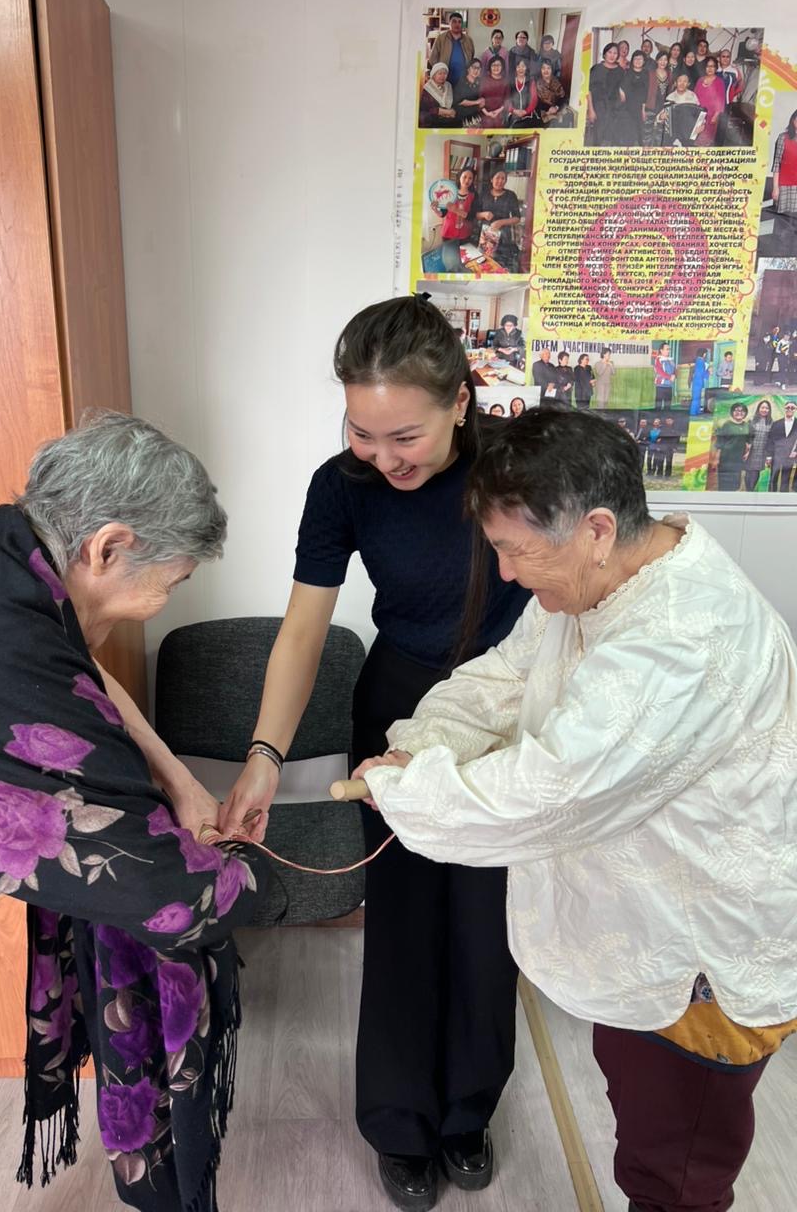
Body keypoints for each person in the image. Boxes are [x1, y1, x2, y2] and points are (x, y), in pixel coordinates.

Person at [355, 406, 797, 1212]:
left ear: (596, 528)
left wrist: (406, 790)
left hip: (699, 962)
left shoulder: (683, 637)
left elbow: (550, 793)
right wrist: (420, 744)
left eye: (517, 550)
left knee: (674, 1177)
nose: (507, 574)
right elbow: (506, 676)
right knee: (642, 1123)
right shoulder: (601, 580)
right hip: (641, 925)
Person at [0, 411, 267, 1212]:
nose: (159, 603)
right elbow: (168, 895)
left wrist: (175, 779)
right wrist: (251, 873)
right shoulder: (2, 656)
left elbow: (75, 670)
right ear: (108, 547)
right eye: (167, 584)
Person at [217, 296, 530, 1212]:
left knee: (488, 925)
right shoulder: (341, 486)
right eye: (362, 431)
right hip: (397, 706)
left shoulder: (514, 468)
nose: (384, 457)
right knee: (402, 918)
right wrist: (265, 754)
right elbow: (303, 630)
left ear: (460, 403)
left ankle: (468, 1111)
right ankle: (399, 1122)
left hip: (507, 709)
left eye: (406, 437)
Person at [431, 165, 479, 273]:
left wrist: (456, 210)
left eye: (470, 178)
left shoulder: (474, 195)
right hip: (448, 234)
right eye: (464, 177)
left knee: (464, 263)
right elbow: (442, 213)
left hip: (465, 235)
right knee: (451, 264)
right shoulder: (450, 192)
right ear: (459, 177)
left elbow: (472, 216)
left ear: (473, 180)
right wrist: (435, 209)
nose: (467, 180)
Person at [475, 169, 523, 273]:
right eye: (497, 178)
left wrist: (501, 222)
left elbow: (517, 218)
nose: (500, 181)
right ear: (491, 179)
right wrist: (484, 214)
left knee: (501, 266)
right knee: (485, 265)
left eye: (503, 178)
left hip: (504, 237)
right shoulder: (484, 194)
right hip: (486, 236)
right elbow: (476, 215)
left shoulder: (511, 195)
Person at [586, 43, 624, 146]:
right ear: (604, 54)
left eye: (615, 53)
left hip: (615, 109)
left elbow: (622, 89)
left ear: (618, 55)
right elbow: (588, 90)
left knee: (613, 139)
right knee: (598, 139)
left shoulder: (620, 71)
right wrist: (591, 110)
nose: (612, 55)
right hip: (599, 108)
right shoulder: (596, 69)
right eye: (610, 52)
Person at [771, 109, 797, 252]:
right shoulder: (783, 138)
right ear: (793, 121)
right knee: (783, 223)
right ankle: (781, 251)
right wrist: (775, 188)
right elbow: (777, 164)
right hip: (785, 186)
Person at [711, 401, 749, 491]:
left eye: (742, 411)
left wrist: (747, 452)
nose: (739, 412)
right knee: (724, 484)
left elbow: (749, 441)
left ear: (745, 413)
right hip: (726, 459)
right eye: (736, 410)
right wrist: (716, 459)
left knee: (735, 484)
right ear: (732, 412)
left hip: (738, 460)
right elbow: (719, 443)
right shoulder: (727, 425)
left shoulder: (747, 426)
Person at [427, 12, 475, 82]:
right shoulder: (441, 38)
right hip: (445, 80)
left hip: (463, 81)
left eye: (459, 22)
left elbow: (471, 57)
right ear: (449, 23)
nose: (457, 24)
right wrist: (439, 74)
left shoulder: (468, 40)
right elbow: (433, 59)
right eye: (454, 21)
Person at [659, 72, 702, 146]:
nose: (682, 84)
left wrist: (701, 125)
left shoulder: (693, 96)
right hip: (673, 133)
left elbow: (700, 114)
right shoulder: (670, 97)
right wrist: (660, 117)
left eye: (685, 81)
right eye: (680, 81)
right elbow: (661, 115)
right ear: (675, 83)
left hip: (689, 133)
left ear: (688, 84)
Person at [694, 56, 726, 146]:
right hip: (699, 115)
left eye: (712, 66)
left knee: (706, 142)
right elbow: (694, 97)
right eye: (708, 66)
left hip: (711, 116)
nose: (710, 68)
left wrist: (715, 116)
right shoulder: (700, 80)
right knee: (696, 139)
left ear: (716, 68)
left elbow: (721, 101)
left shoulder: (719, 82)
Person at [743, 399, 775, 490]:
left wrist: (769, 455)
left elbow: (771, 440)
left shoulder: (771, 422)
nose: (764, 410)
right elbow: (747, 436)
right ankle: (748, 490)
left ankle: (751, 490)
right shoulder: (751, 420)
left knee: (755, 473)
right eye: (762, 407)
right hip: (750, 451)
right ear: (758, 409)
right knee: (748, 472)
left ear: (769, 410)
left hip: (762, 452)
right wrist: (746, 449)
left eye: (767, 408)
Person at [619, 49, 648, 145]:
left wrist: (643, 110)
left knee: (641, 136)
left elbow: (646, 93)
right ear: (632, 61)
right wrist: (621, 91)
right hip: (627, 108)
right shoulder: (626, 72)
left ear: (644, 61)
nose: (638, 61)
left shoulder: (646, 74)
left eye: (640, 59)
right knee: (628, 137)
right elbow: (620, 86)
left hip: (640, 108)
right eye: (635, 58)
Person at [766, 399, 797, 490]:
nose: (790, 409)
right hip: (776, 456)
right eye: (788, 407)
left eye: (792, 408)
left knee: (785, 480)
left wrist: (796, 451)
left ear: (795, 409)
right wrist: (769, 456)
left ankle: (783, 497)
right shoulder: (776, 423)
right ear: (784, 408)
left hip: (790, 456)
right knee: (773, 479)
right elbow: (770, 440)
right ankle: (771, 497)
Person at [643, 52, 673, 145]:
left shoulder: (669, 74)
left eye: (665, 60)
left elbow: (670, 92)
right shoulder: (650, 74)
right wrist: (643, 109)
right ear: (657, 60)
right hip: (650, 106)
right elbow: (644, 92)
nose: (663, 62)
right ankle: (646, 152)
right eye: (661, 59)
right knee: (647, 134)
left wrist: (667, 108)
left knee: (659, 134)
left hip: (662, 108)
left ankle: (656, 152)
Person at [419, 62, 457, 128]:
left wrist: (452, 111)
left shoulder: (448, 85)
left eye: (445, 73)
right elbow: (425, 110)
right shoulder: (427, 88)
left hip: (447, 119)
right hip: (432, 121)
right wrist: (442, 111)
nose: (442, 76)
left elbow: (453, 104)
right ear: (434, 75)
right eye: (440, 73)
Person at [505, 57, 539, 127]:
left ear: (526, 68)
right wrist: (513, 110)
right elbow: (506, 99)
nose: (521, 69)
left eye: (523, 66)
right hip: (513, 114)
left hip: (528, 114)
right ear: (515, 68)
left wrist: (526, 111)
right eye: (518, 67)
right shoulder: (510, 82)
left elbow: (534, 99)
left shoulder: (531, 82)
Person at [535, 58, 569, 127]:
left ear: (552, 70)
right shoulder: (537, 84)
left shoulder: (556, 82)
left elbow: (563, 97)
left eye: (548, 68)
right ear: (540, 70)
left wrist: (556, 107)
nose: (546, 71)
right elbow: (536, 102)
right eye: (543, 68)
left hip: (557, 109)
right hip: (544, 111)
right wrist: (549, 109)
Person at [478, 55, 509, 127]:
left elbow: (507, 99)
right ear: (490, 67)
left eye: (498, 65)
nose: (496, 67)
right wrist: (487, 113)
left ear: (502, 67)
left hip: (500, 112)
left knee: (499, 123)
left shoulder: (505, 81)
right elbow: (479, 99)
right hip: (485, 113)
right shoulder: (484, 80)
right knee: (488, 123)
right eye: (493, 65)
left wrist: (497, 112)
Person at [453, 58, 485, 125]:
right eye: (474, 67)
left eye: (478, 68)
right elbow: (459, 102)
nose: (476, 70)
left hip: (476, 112)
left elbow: (482, 98)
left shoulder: (480, 81)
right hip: (463, 115)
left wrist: (482, 101)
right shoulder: (462, 82)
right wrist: (477, 102)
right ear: (468, 69)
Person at [653, 341, 676, 410]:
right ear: (661, 350)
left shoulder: (671, 360)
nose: (668, 351)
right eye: (667, 349)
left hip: (669, 386)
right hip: (661, 386)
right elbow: (659, 371)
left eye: (669, 349)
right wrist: (669, 377)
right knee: (658, 406)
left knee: (668, 406)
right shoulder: (658, 359)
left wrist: (674, 375)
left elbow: (675, 369)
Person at [690, 347, 710, 415]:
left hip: (697, 381)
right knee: (696, 398)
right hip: (698, 382)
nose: (705, 355)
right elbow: (701, 372)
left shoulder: (698, 360)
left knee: (697, 397)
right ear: (703, 354)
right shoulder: (701, 361)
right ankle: (693, 412)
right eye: (705, 353)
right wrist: (708, 372)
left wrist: (707, 372)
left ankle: (697, 411)